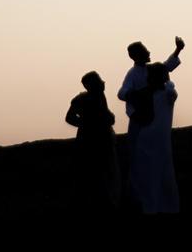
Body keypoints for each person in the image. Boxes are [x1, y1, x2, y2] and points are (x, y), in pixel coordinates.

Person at [118, 37, 184, 209]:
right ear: (136, 55)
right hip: (141, 121)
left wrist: (178, 50)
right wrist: (140, 96)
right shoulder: (133, 74)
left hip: (154, 122)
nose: (148, 52)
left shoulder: (155, 74)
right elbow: (123, 92)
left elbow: (166, 66)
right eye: (145, 50)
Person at [126, 63, 181, 214]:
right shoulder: (164, 93)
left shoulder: (165, 93)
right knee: (154, 176)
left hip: (152, 141)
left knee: (152, 176)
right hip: (153, 141)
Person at [65, 71, 122, 211]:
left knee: (104, 173)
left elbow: (107, 116)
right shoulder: (82, 99)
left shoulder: (99, 97)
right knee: (96, 174)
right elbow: (70, 117)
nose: (103, 83)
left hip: (101, 139)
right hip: (92, 141)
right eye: (99, 81)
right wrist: (87, 124)